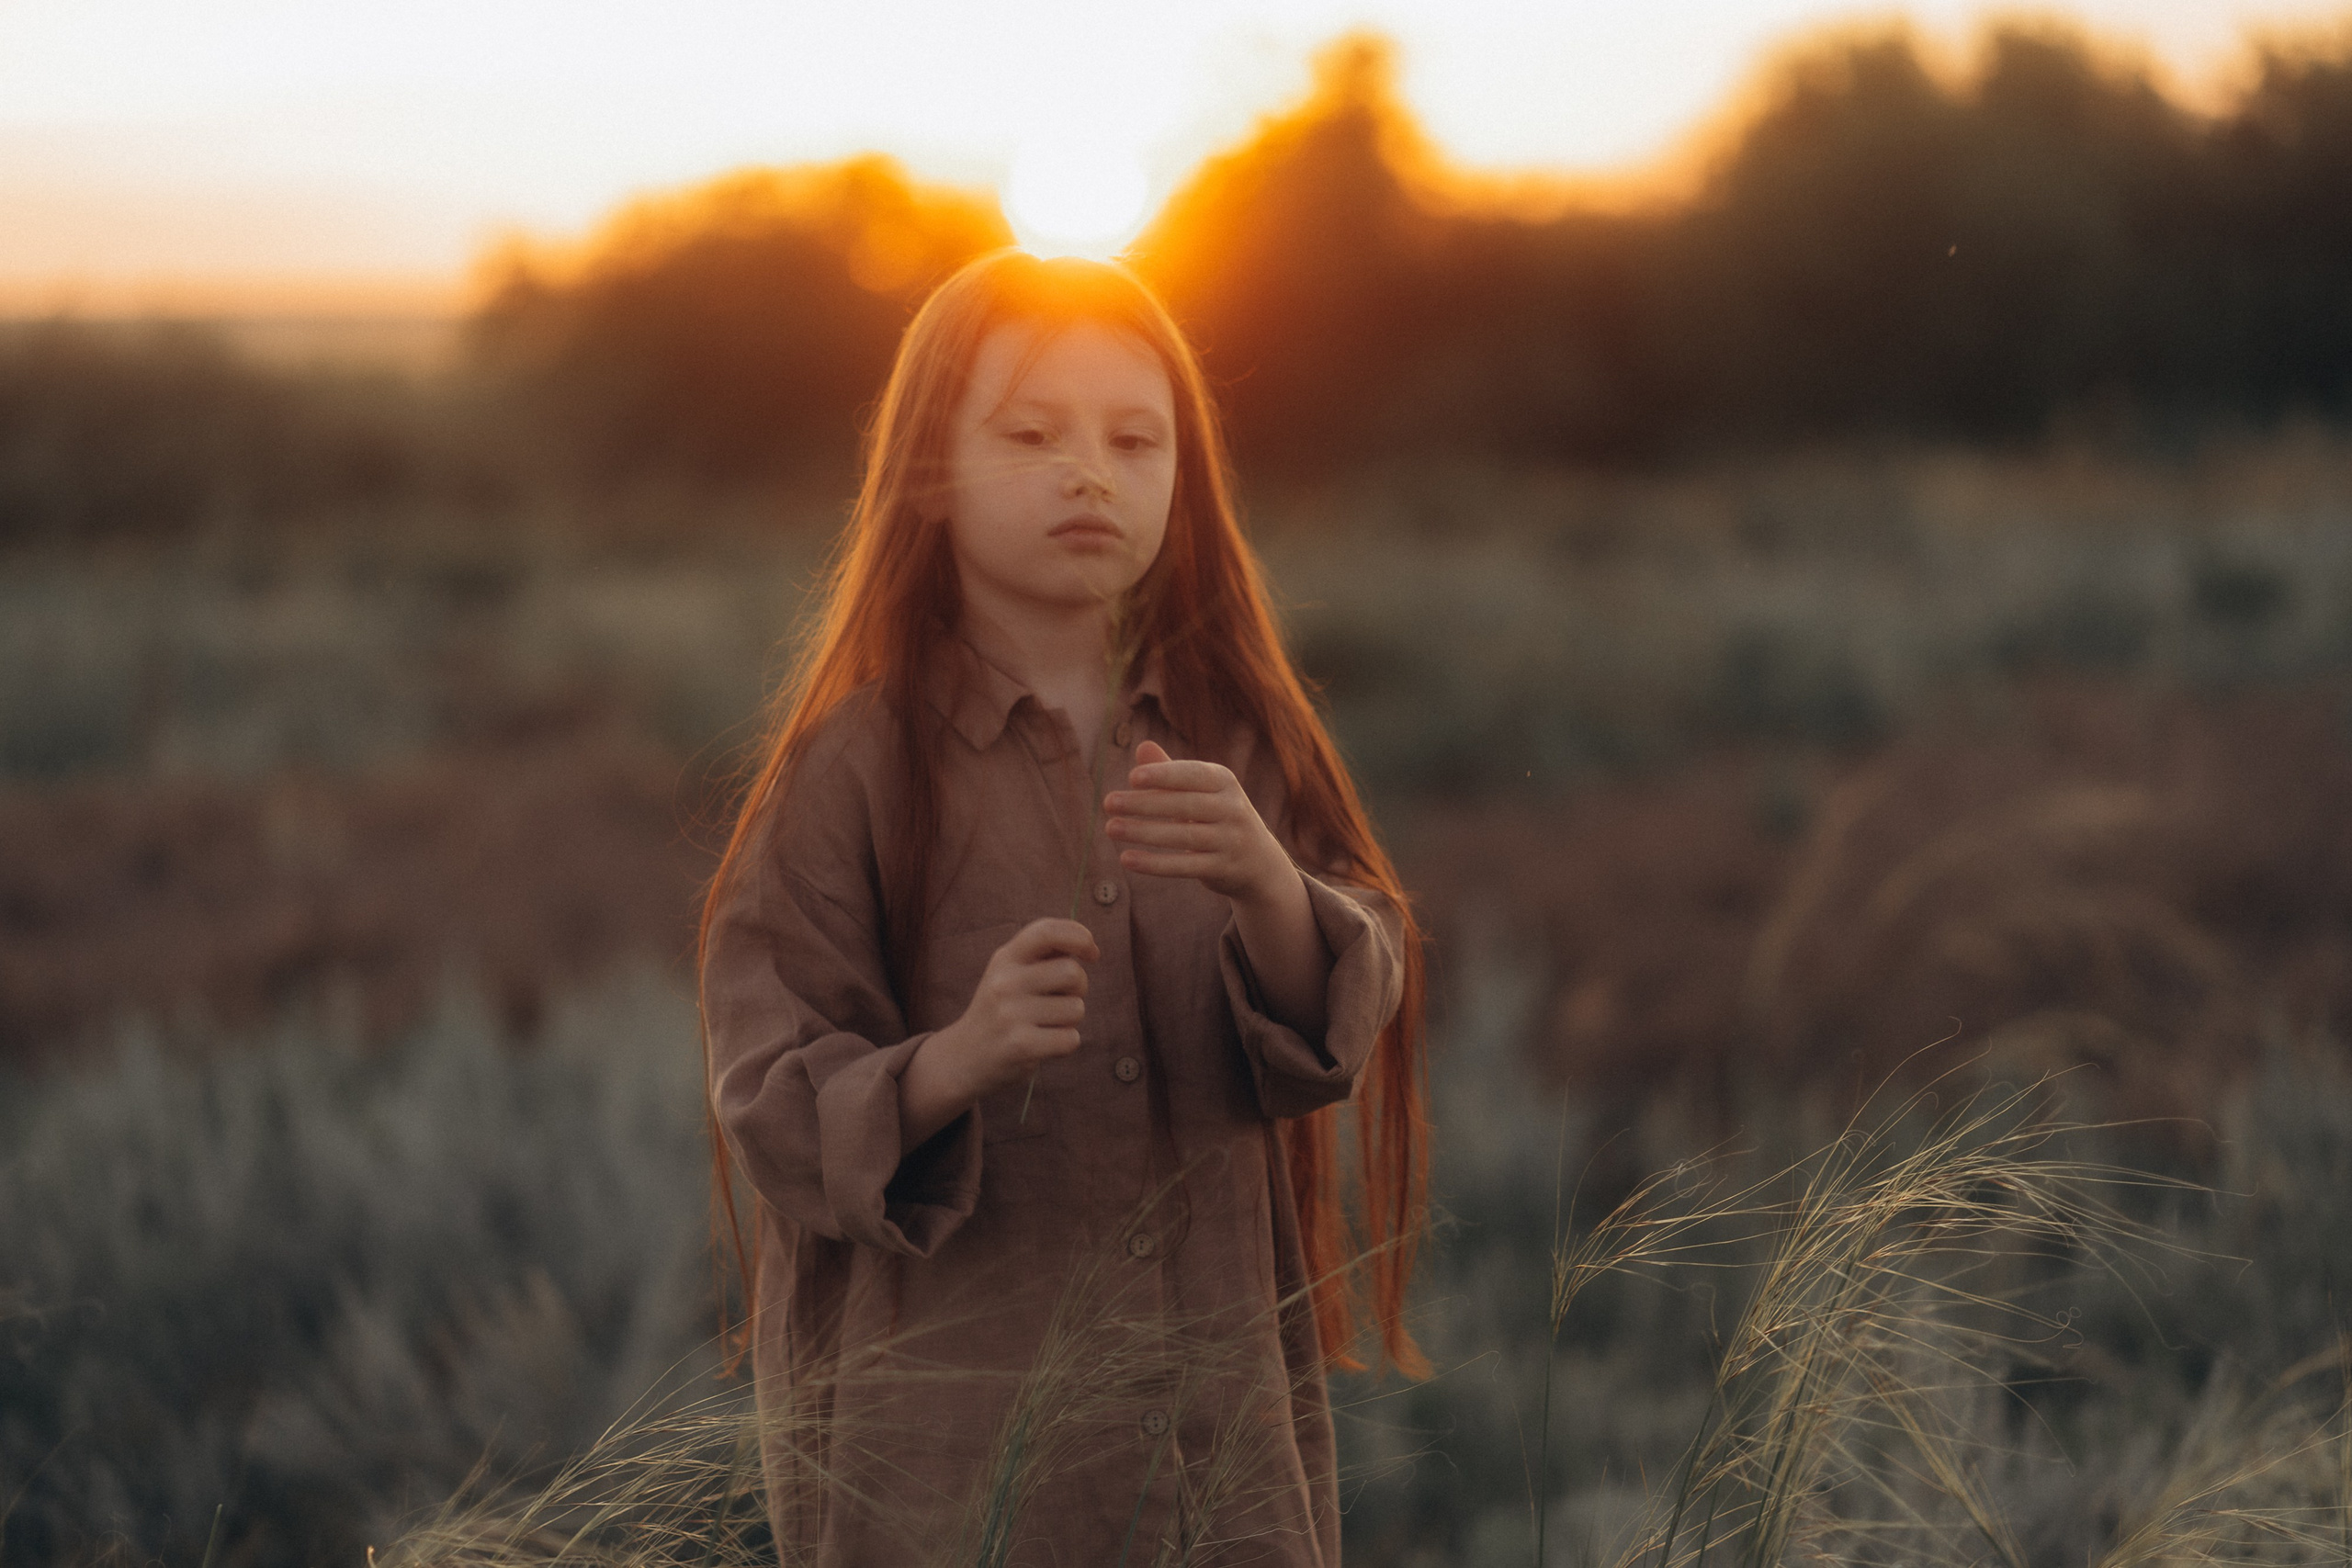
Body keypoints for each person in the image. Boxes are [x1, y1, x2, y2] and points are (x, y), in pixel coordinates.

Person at [697, 249, 1428, 1567]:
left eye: (1135, 440)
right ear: (931, 469)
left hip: (1217, 1434)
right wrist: (953, 1063)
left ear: (1181, 479)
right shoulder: (855, 765)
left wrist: (1270, 883)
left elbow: (1350, 984)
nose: (1089, 469)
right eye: (1030, 433)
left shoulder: (1239, 736)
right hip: (953, 1457)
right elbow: (771, 1098)